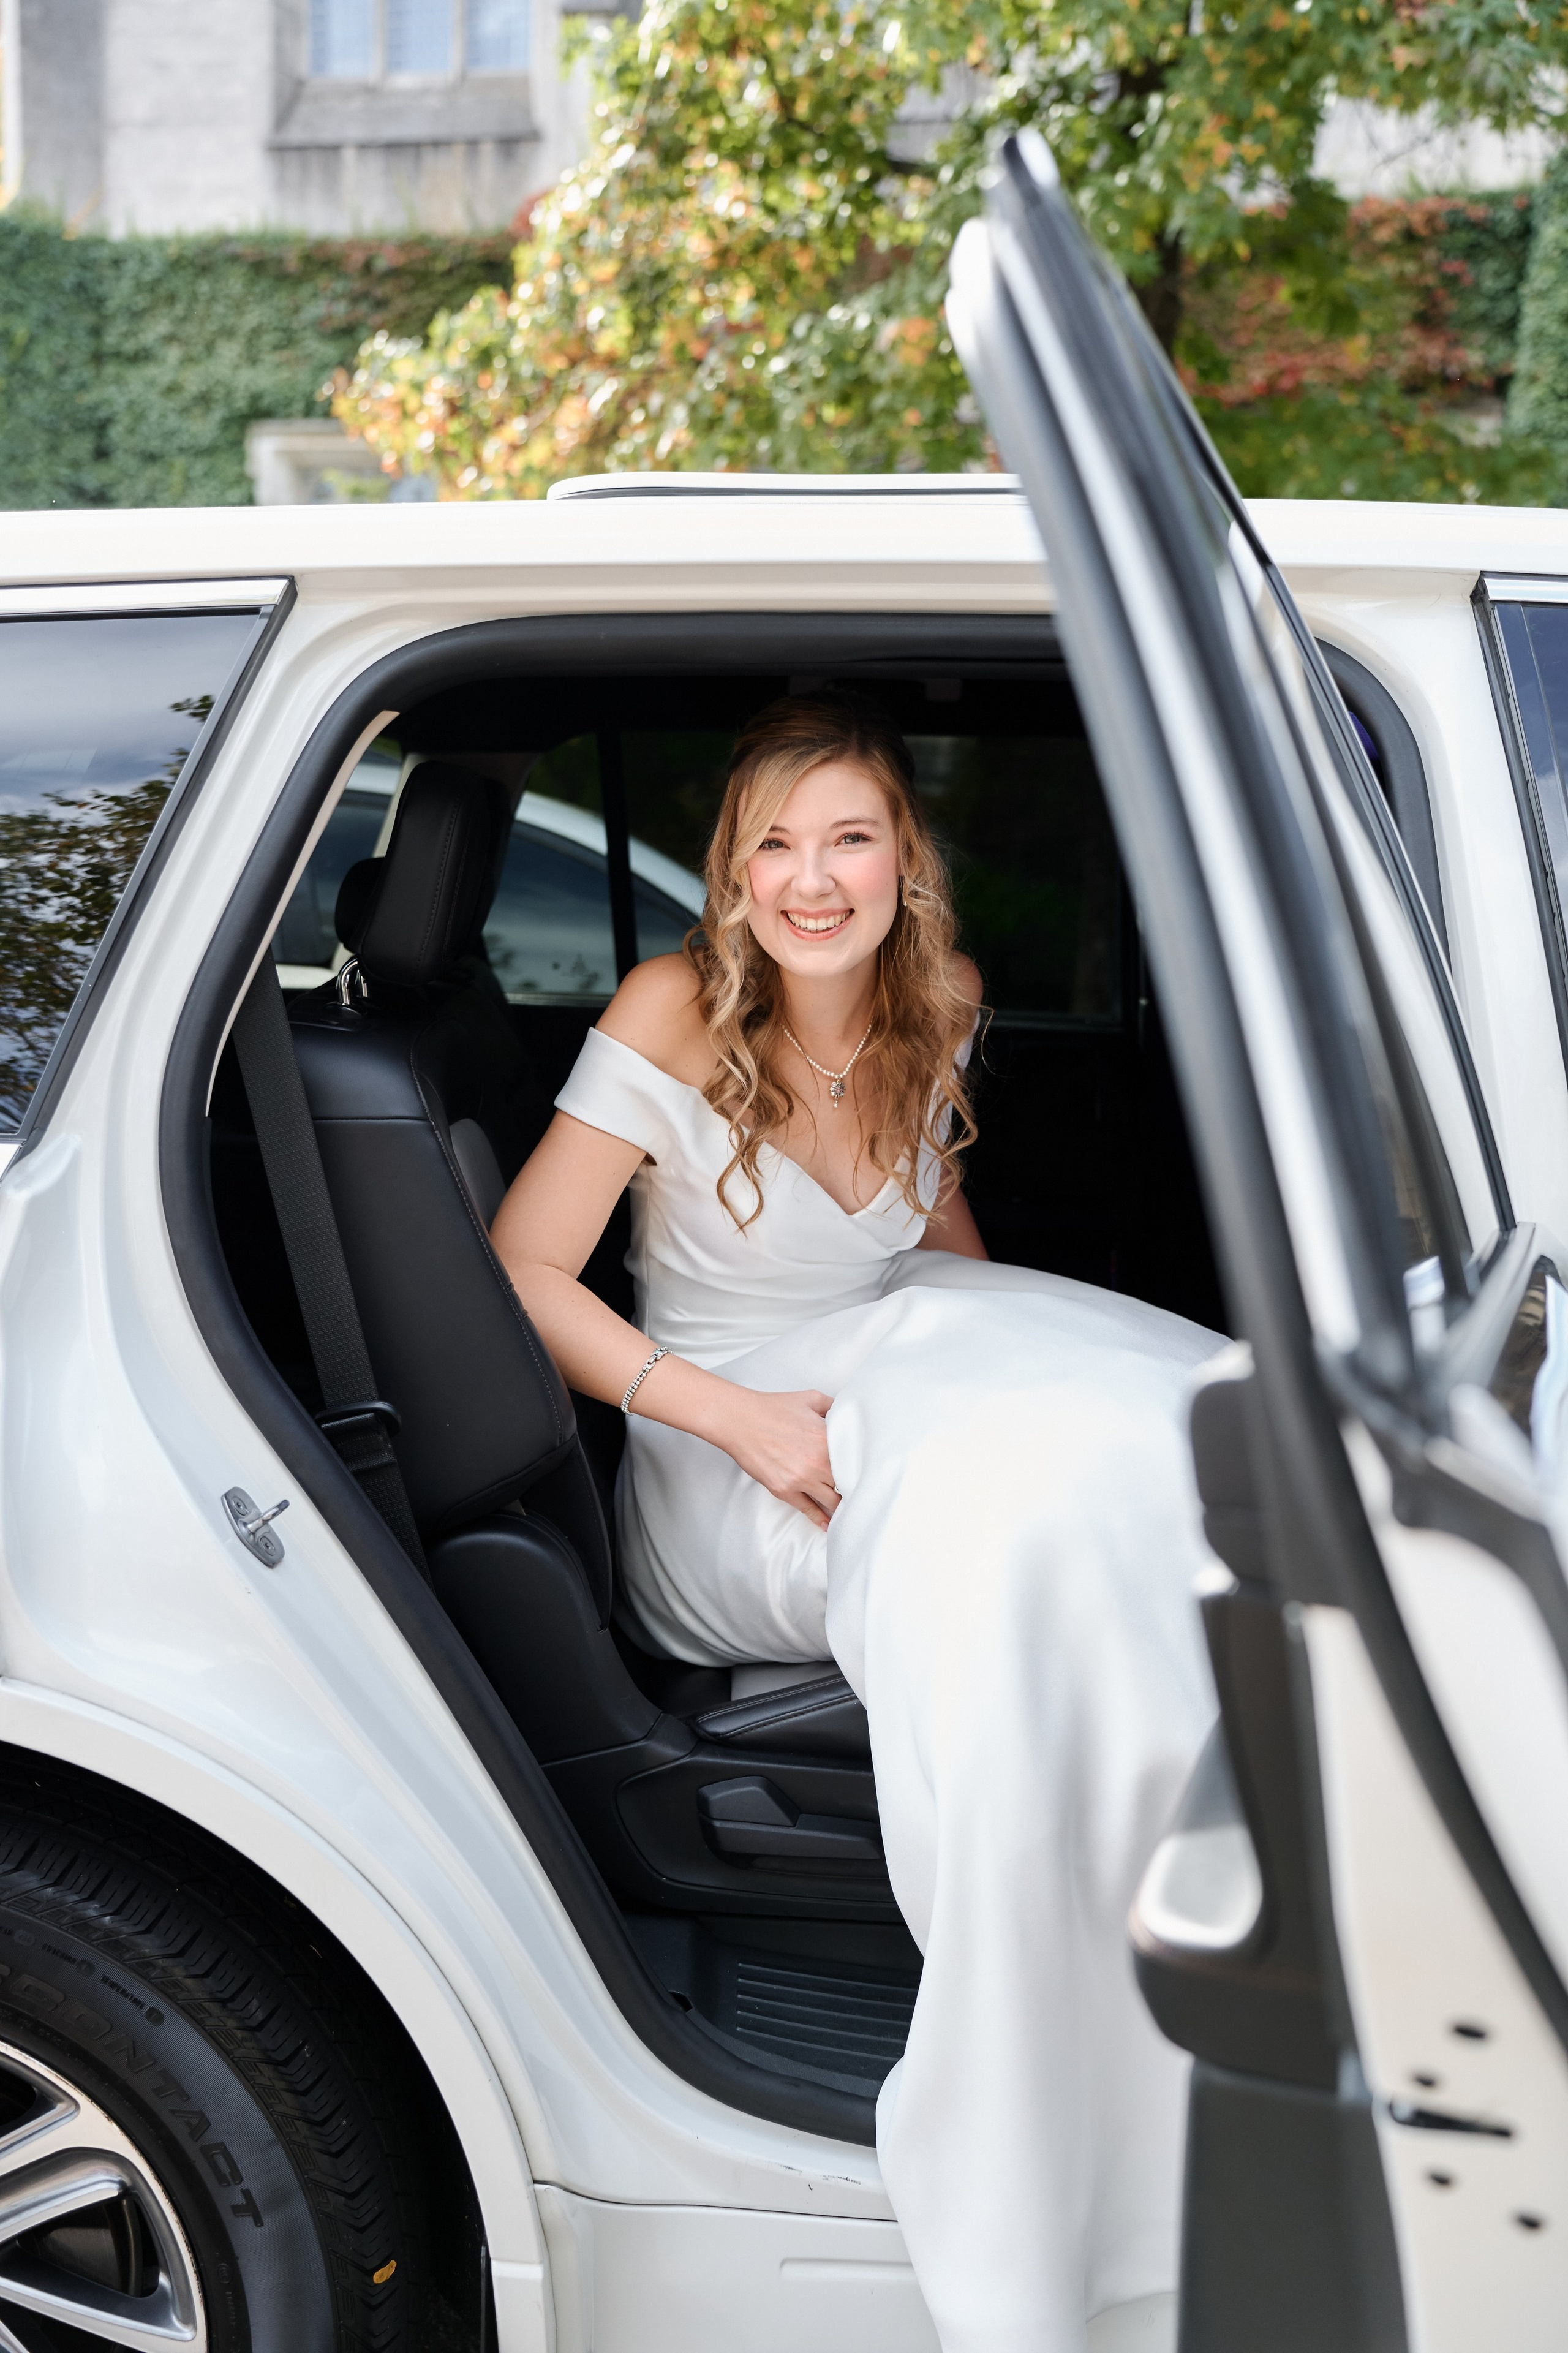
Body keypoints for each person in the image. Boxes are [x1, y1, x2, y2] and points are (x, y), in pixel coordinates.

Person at [490, 694, 1223, 2352]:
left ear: (905, 856)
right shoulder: (675, 1008)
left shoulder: (940, 1000)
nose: (813, 877)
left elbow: (929, 1223)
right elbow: (523, 1270)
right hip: (724, 1432)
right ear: (733, 870)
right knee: (1010, 1535)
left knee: (1168, 1418)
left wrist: (1007, 1345)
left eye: (850, 837)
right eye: (775, 841)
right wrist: (731, 1413)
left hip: (897, 1350)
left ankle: (1214, 1933)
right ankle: (1039, 2085)